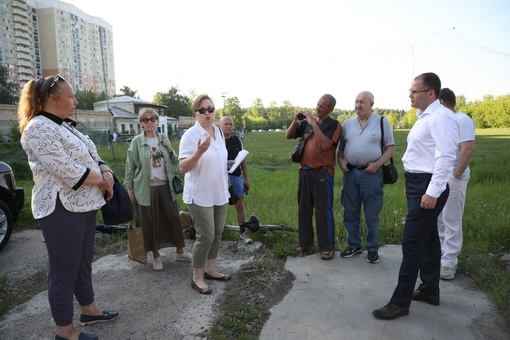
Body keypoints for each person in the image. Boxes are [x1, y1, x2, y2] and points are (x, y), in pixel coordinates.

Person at [18, 74, 119, 340]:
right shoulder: (37, 128)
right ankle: (65, 330)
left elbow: (93, 154)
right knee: (64, 269)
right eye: (71, 96)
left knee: (83, 263)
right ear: (53, 99)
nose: (76, 101)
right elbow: (67, 170)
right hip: (59, 207)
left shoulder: (66, 126)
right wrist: (105, 182)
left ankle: (89, 309)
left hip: (85, 204)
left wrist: (106, 173)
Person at [372, 72, 459, 320]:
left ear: (430, 93)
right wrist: (412, 184)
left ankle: (399, 302)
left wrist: (432, 191)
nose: (410, 95)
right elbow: (422, 155)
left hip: (428, 187)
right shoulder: (425, 117)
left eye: (414, 91)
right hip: (418, 184)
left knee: (411, 243)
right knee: (429, 240)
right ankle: (430, 290)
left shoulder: (441, 117)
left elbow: (445, 157)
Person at [125, 108, 192, 271]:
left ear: (157, 121)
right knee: (151, 223)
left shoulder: (163, 139)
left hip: (165, 186)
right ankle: (156, 256)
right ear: (141, 123)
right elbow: (130, 167)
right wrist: (130, 189)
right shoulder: (137, 142)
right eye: (145, 120)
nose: (149, 122)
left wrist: (168, 148)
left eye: (152, 119)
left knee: (172, 219)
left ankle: (180, 251)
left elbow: (175, 160)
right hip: (146, 189)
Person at [179, 94, 232, 295]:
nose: (207, 113)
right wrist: (199, 152)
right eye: (203, 110)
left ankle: (211, 269)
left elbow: (217, 157)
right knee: (206, 235)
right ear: (195, 113)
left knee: (217, 233)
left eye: (211, 109)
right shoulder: (190, 135)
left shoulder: (218, 131)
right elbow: (183, 167)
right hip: (199, 194)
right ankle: (197, 277)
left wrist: (226, 163)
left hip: (219, 191)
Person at [337, 91, 395, 264]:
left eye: (362, 102)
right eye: (356, 101)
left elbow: (390, 149)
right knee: (350, 211)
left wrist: (377, 165)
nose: (358, 105)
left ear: (371, 104)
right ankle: (354, 244)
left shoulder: (382, 122)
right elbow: (341, 150)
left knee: (371, 213)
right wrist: (341, 162)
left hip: (371, 175)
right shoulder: (347, 124)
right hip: (350, 174)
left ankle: (372, 248)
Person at [286, 94, 342, 260]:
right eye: (318, 105)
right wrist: (296, 121)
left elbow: (325, 145)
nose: (318, 108)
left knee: (323, 211)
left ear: (330, 109)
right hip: (304, 171)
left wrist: (313, 124)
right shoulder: (305, 124)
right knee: (304, 210)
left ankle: (326, 247)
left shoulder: (334, 124)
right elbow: (289, 136)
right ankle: (305, 244)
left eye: (323, 106)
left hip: (323, 172)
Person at [437, 88, 475, 280]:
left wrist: (456, 175)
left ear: (442, 102)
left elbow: (467, 150)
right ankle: (441, 256)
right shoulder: (441, 121)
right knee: (439, 219)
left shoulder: (462, 120)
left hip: (453, 176)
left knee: (451, 219)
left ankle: (449, 263)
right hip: (438, 176)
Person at [219, 116, 252, 244]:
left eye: (230, 124)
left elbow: (243, 159)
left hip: (236, 177)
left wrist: (246, 178)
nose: (228, 126)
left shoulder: (237, 140)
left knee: (239, 204)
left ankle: (243, 233)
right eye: (226, 124)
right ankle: (218, 234)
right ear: (220, 126)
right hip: (220, 178)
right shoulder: (217, 141)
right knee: (219, 206)